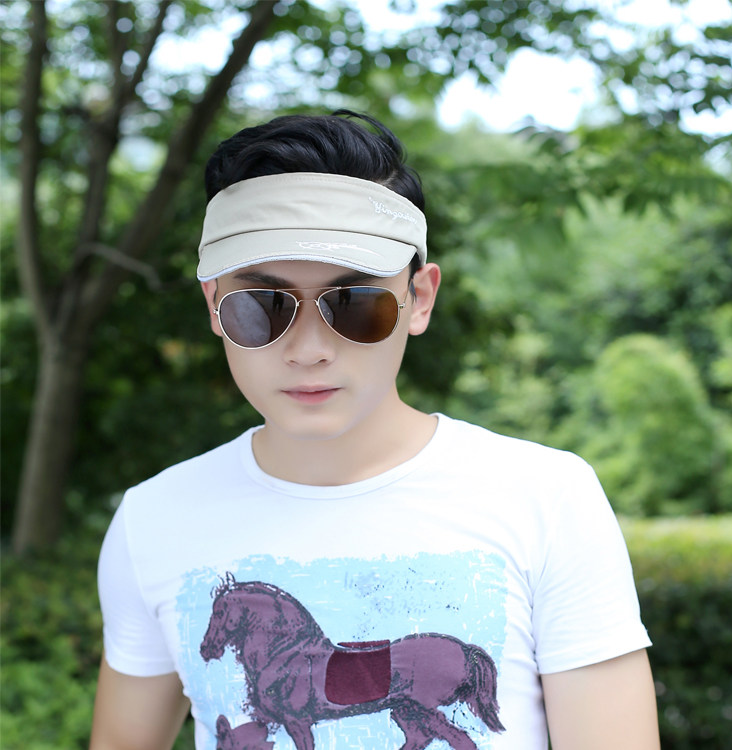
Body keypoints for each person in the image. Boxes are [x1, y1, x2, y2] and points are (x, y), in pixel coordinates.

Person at [90, 110, 660, 750]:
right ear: (213, 307)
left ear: (420, 299)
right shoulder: (153, 520)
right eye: (260, 305)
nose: (309, 350)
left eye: (356, 303)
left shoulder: (547, 496)